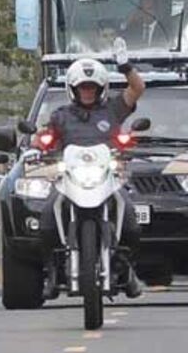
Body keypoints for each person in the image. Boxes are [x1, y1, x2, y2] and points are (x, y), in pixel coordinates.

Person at [39, 37, 146, 298]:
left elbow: (137, 88)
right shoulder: (60, 115)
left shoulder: (113, 109)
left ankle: (127, 270)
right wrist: (40, 143)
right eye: (83, 87)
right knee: (46, 219)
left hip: (107, 177)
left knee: (131, 220)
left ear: (101, 88)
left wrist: (125, 66)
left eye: (92, 87)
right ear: (73, 89)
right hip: (71, 179)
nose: (87, 91)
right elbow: (44, 137)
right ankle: (52, 273)